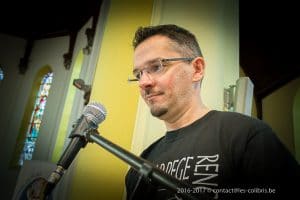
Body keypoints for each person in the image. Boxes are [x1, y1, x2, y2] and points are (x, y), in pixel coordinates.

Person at [125, 24, 299, 200]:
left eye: (156, 66)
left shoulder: (245, 134)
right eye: (138, 74)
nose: (143, 83)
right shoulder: (138, 166)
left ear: (197, 69)